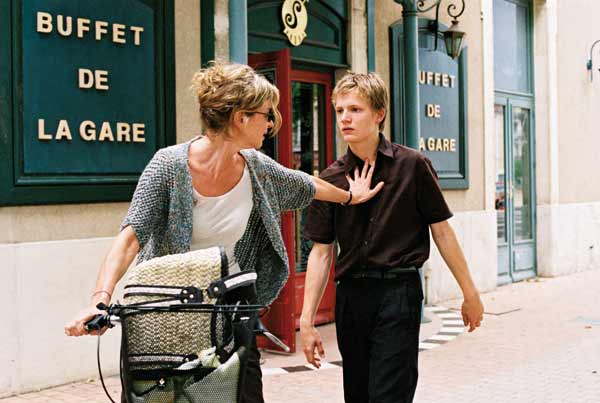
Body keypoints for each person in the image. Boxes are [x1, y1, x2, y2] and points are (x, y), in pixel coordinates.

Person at [64, 62, 383, 403]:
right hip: (170, 317)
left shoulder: (256, 168)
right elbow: (130, 237)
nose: (272, 123)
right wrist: (100, 300)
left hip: (230, 314)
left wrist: (351, 196)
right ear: (240, 118)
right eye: (266, 113)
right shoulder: (168, 166)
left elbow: (306, 185)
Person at [299, 72, 484, 403]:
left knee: (390, 395)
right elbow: (321, 252)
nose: (345, 118)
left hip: (398, 293)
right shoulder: (331, 179)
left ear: (379, 114)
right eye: (340, 110)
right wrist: (307, 320)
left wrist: (469, 293)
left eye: (355, 109)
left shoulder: (412, 166)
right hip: (352, 298)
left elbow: (442, 231)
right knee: (358, 395)